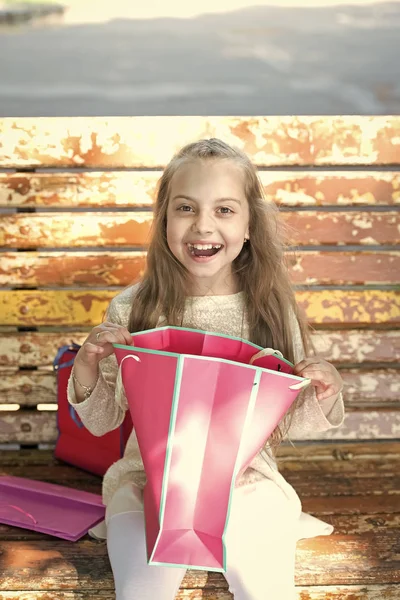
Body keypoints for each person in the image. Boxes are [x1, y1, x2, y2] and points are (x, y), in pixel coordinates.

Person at [67, 138, 344, 600]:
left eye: (225, 210)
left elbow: (290, 420)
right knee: (140, 591)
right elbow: (102, 422)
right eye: (186, 208)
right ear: (164, 220)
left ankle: (276, 523)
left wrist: (325, 390)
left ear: (250, 223)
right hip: (146, 483)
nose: (203, 226)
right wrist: (87, 367)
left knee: (265, 588)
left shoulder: (270, 309)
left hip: (247, 480)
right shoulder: (134, 308)